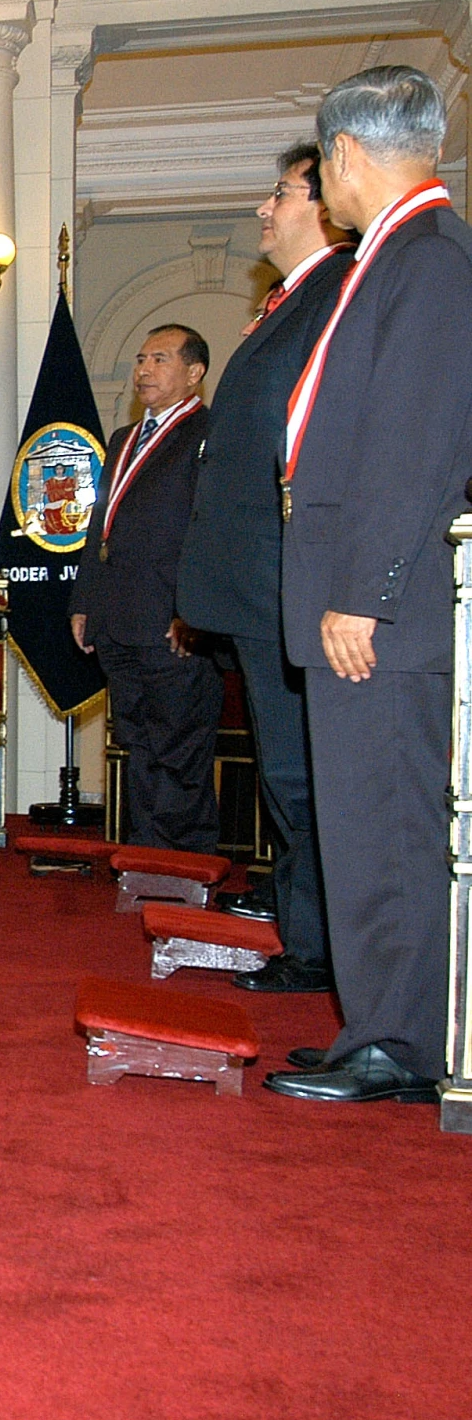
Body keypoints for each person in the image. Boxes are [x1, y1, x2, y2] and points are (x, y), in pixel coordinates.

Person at [263, 65, 472, 1105]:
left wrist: (366, 589)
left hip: (377, 609)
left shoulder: (427, 261)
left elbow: (412, 446)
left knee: (385, 818)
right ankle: (374, 1023)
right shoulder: (393, 257)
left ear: (343, 155)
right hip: (357, 597)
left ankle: (398, 1039)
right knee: (358, 815)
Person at [175, 145, 355, 993]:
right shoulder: (296, 299)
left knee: (303, 775)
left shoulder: (340, 293)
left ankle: (322, 950)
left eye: (279, 193)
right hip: (259, 586)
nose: (263, 209)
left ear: (325, 203)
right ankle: (308, 933)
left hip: (292, 581)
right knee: (289, 775)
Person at [70, 326, 221, 854]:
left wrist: (195, 612)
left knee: (179, 750)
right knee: (138, 745)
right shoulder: (124, 439)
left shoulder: (211, 432)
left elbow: (213, 531)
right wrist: (85, 601)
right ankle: (147, 856)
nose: (144, 370)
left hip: (174, 623)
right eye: (139, 359)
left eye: (159, 359)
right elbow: (101, 526)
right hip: (118, 617)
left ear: (194, 372)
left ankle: (186, 864)